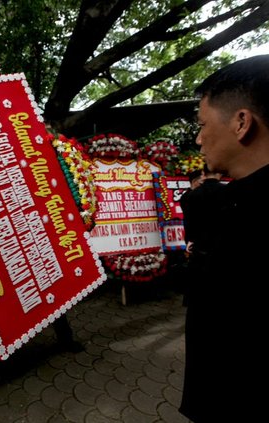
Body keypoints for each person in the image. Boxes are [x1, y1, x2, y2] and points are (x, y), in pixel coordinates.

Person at [179, 54, 269, 422]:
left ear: (241, 122)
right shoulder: (234, 202)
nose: (198, 139)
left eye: (202, 124)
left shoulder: (244, 216)